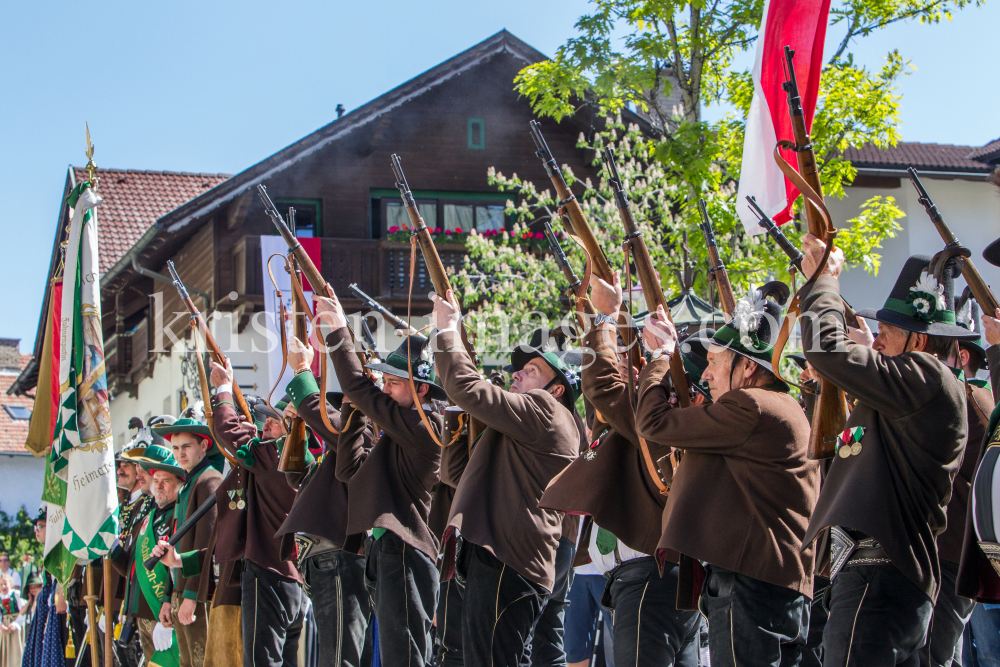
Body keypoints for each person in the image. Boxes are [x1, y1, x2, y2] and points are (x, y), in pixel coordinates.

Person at [798, 240, 973, 666]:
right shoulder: (912, 387)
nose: (876, 341)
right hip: (877, 573)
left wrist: (824, 281)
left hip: (882, 573)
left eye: (887, 333)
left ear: (917, 338)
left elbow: (826, 349)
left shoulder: (927, 377)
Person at [635, 283, 820, 667]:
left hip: (753, 584)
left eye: (717, 361)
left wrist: (659, 357)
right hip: (772, 583)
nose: (708, 373)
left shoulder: (749, 404)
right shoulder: (775, 406)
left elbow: (651, 422)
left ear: (748, 365)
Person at [541, 271, 704, 667]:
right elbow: (605, 410)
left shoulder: (663, 422)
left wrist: (607, 318)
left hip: (647, 578)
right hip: (660, 578)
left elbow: (599, 385)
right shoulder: (674, 422)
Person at [430, 288, 584, 667]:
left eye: (533, 371)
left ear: (557, 389)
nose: (517, 373)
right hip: (505, 560)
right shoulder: (534, 422)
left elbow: (469, 388)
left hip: (509, 562)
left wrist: (448, 331)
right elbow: (456, 474)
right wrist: (460, 410)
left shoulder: (546, 410)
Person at [313, 292, 444, 667]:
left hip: (406, 552)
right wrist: (355, 411)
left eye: (395, 383)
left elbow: (358, 385)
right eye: (384, 382)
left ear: (421, 389)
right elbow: (349, 470)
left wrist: (338, 329)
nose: (385, 389)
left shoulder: (426, 426)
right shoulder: (399, 429)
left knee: (404, 658)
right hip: (385, 551)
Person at [279, 335, 373, 667]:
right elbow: (301, 477)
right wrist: (294, 429)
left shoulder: (369, 433)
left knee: (339, 659)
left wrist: (302, 371)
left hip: (339, 557)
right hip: (327, 558)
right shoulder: (351, 441)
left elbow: (332, 425)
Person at [208, 363, 305, 667]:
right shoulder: (302, 456)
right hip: (292, 581)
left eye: (275, 422)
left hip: (268, 577)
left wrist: (224, 388)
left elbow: (228, 431)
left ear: (291, 427)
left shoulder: (275, 455)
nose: (266, 427)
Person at [151, 418, 223, 667]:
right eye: (175, 447)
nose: (180, 453)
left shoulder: (209, 480)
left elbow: (205, 548)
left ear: (204, 445)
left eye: (187, 446)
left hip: (198, 591)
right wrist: (172, 596)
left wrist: (191, 596)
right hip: (182, 588)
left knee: (201, 660)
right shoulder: (189, 484)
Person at [21, 509, 66, 667]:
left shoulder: (60, 549)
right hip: (45, 612)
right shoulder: (49, 551)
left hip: (54, 610)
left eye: (40, 526)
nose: (36, 531)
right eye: (35, 527)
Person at [0, 572, 24, 667]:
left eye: (6, 584)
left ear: (10, 584)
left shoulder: (16, 594)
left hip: (15, 623)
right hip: (5, 624)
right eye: (1, 584)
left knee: (15, 648)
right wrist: (1, 624)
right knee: (4, 649)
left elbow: (23, 610)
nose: (3, 586)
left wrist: (16, 623)